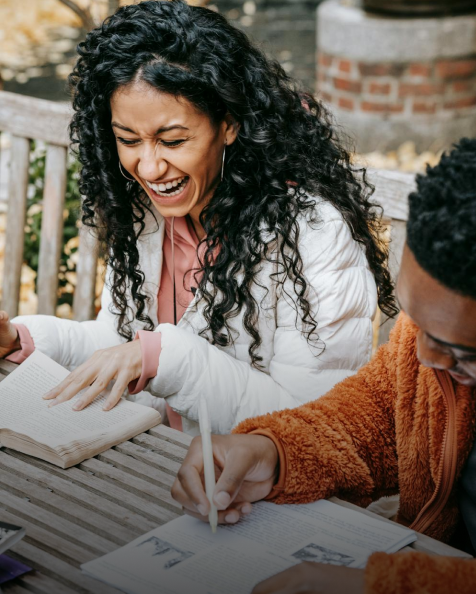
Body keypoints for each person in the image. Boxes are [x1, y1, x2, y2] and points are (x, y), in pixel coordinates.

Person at [0, 0, 395, 434]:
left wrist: (165, 358)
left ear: (228, 124)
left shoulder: (312, 235)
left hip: (246, 492)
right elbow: (118, 343)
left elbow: (310, 428)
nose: (148, 168)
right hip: (158, 466)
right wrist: (24, 340)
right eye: (128, 139)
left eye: (172, 140)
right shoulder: (146, 212)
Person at [172, 138, 476, 593]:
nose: (425, 357)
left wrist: (386, 586)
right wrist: (274, 451)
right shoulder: (428, 344)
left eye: (462, 352)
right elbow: (379, 413)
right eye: (415, 320)